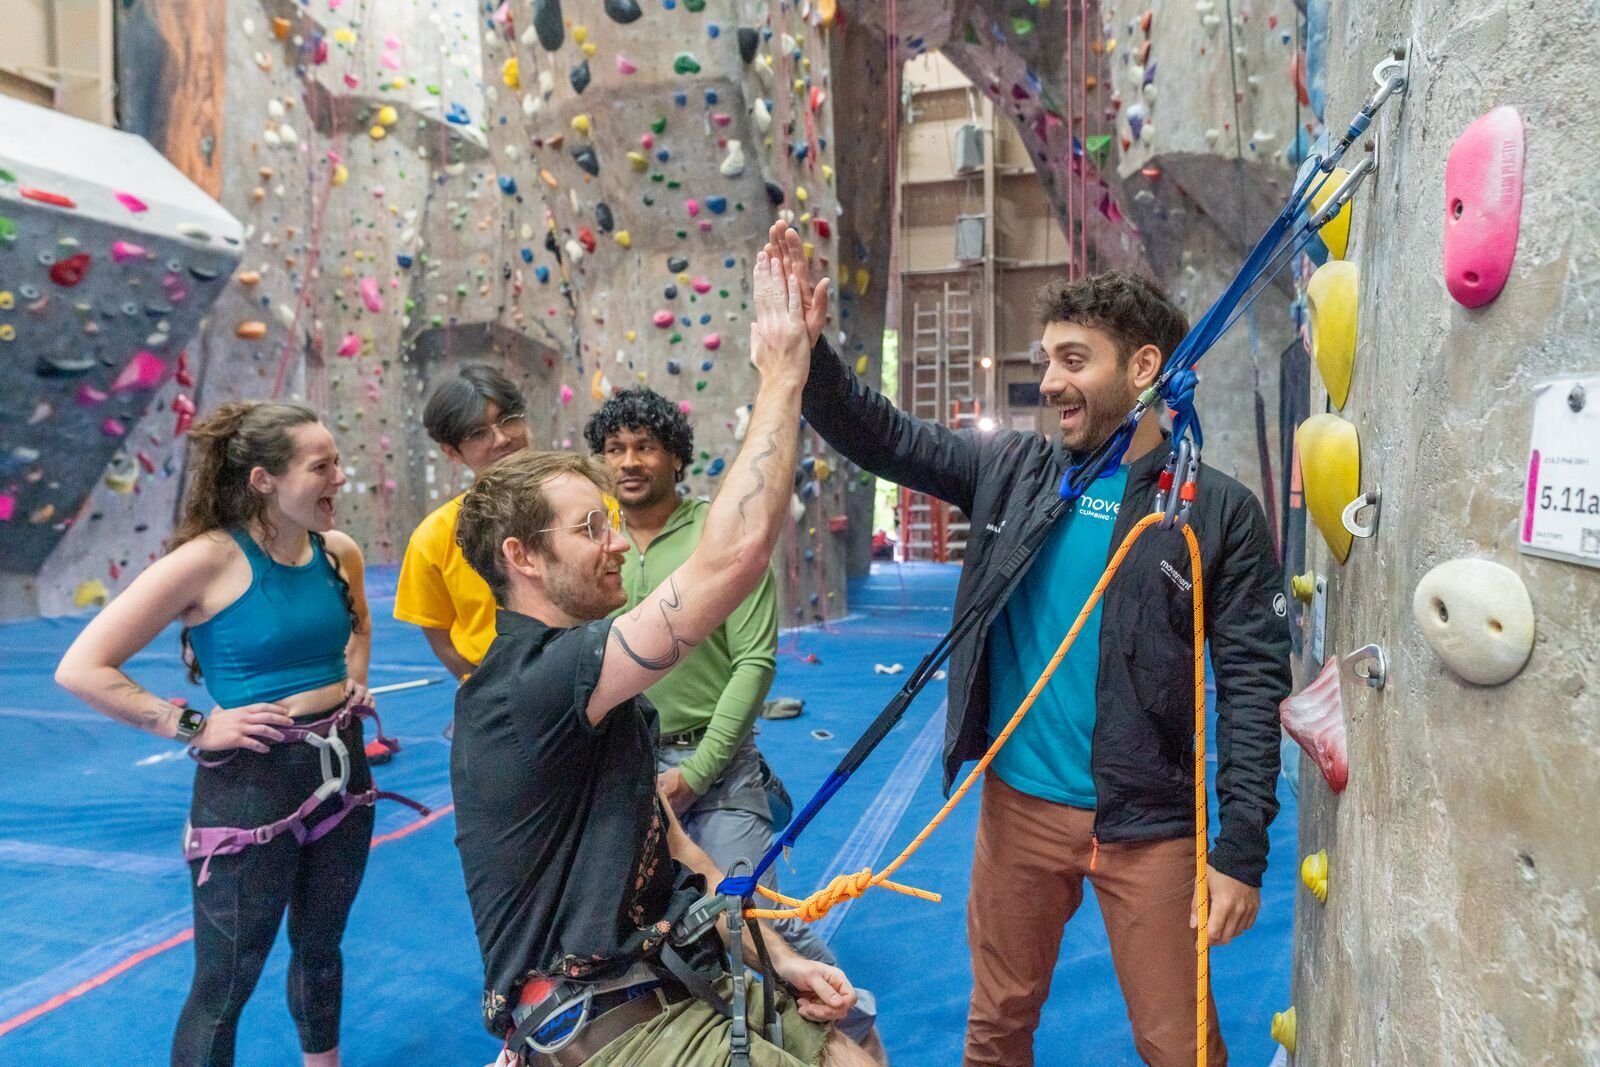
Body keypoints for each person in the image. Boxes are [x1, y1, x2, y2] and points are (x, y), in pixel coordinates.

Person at [766, 222, 1291, 1067]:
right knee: (997, 1025)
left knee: (1180, 1045)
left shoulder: (1215, 510)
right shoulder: (1016, 470)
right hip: (1019, 812)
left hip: (1148, 824)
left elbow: (1255, 684)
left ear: (1145, 367)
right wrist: (808, 356)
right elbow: (885, 435)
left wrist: (1240, 851)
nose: (1049, 381)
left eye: (1073, 360)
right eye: (1047, 360)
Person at [451, 245, 874, 1066]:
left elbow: (678, 849)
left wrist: (781, 958)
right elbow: (731, 560)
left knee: (853, 1045)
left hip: (662, 961)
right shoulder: (538, 678)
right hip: (591, 1005)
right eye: (589, 529)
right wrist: (783, 371)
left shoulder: (604, 692)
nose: (615, 546)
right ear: (522, 557)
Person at [55, 401, 393, 1067]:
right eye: (323, 466)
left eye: (338, 463)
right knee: (226, 981)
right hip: (250, 788)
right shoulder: (205, 562)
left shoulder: (338, 552)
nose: (340, 478)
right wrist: (193, 724)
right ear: (265, 478)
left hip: (344, 777)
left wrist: (351, 679)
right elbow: (82, 666)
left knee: (322, 949)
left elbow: (358, 628)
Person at [584, 389, 886, 1060]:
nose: (629, 462)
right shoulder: (595, 542)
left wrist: (694, 774)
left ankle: (852, 1017)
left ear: (675, 456)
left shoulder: (716, 536)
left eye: (645, 447)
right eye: (615, 449)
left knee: (744, 912)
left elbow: (753, 660)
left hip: (714, 767)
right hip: (625, 769)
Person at [394, 364, 531, 681]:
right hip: (496, 690)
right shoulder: (435, 536)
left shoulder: (588, 504)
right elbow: (438, 635)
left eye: (507, 421)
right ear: (452, 452)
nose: (500, 439)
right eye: (478, 433)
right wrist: (480, 686)